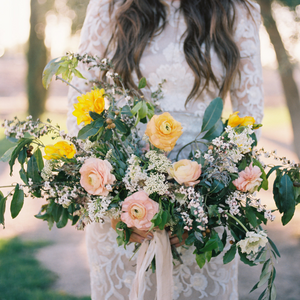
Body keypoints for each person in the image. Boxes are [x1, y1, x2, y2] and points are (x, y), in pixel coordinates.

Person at [67, 0, 264, 299]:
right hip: (120, 208)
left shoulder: (236, 9)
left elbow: (249, 123)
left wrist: (202, 210)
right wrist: (116, 207)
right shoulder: (110, 6)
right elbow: (78, 105)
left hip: (205, 208)